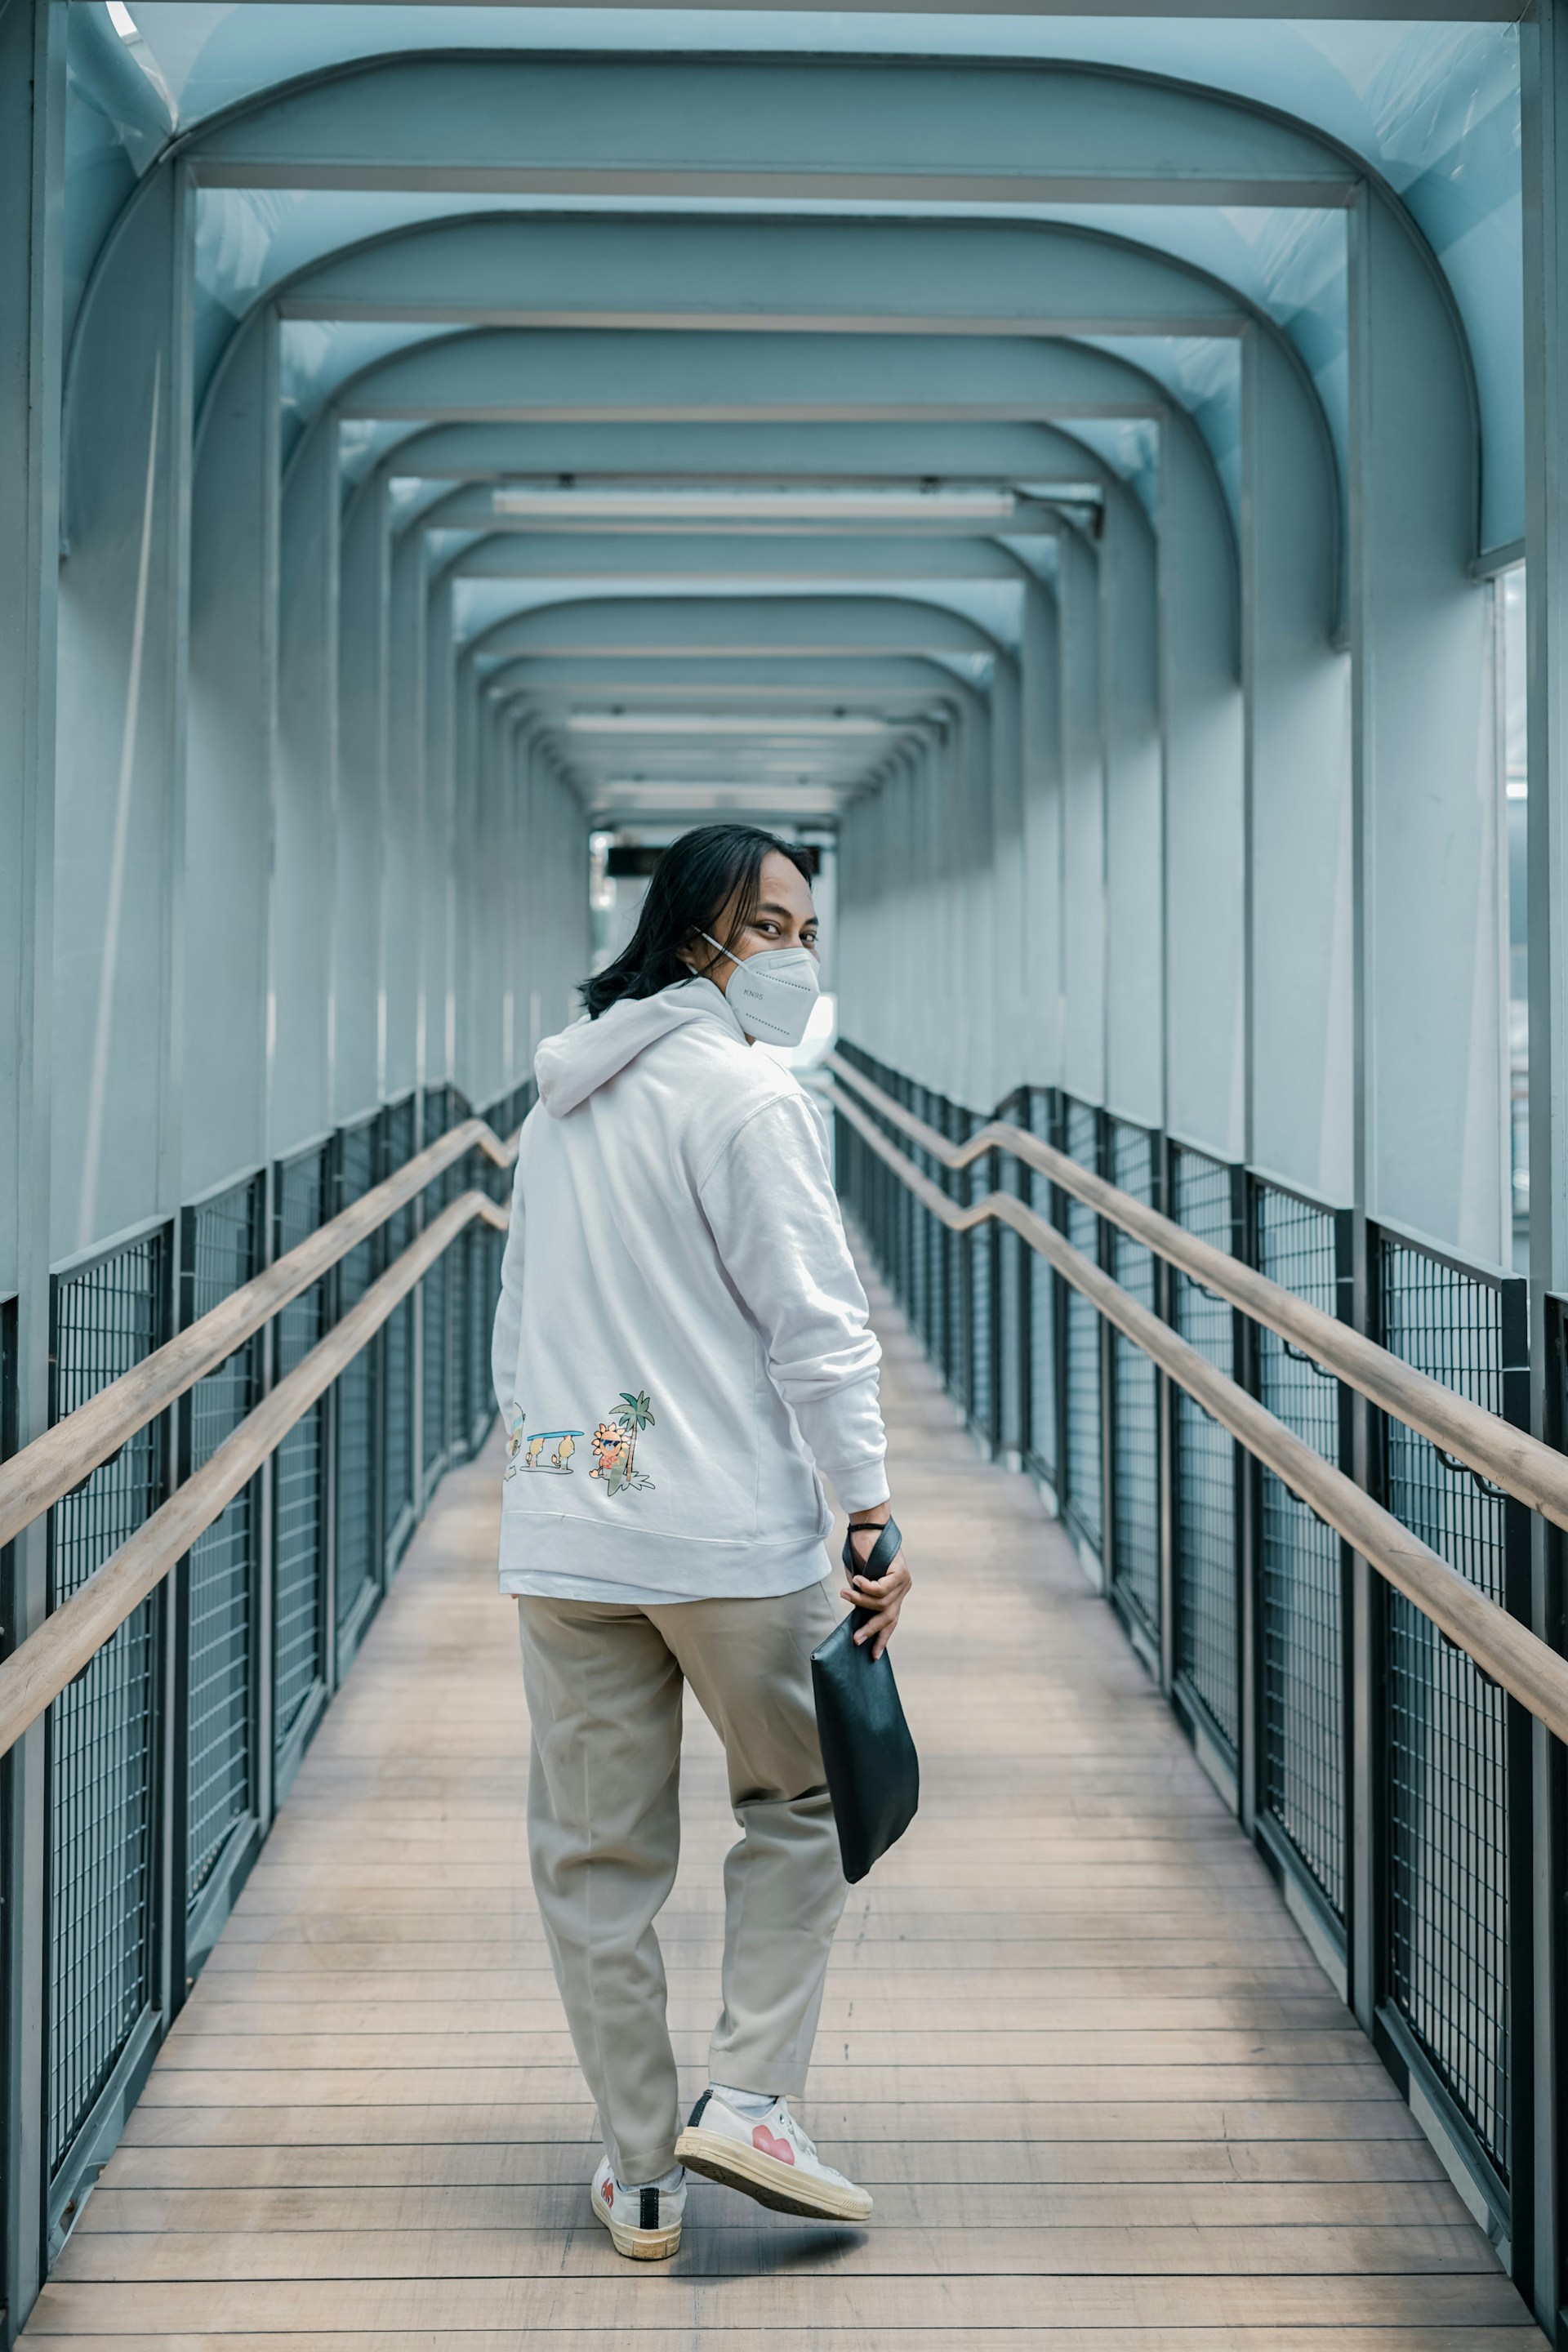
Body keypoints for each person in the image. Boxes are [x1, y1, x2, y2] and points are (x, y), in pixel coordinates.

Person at [492, 823, 912, 2261]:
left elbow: (517, 1325)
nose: (797, 955)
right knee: (798, 1809)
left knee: (597, 1865)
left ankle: (643, 2174)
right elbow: (816, 1324)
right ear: (697, 936)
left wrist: (552, 1476)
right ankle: (748, 2099)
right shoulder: (744, 1101)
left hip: (571, 1535)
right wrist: (866, 1503)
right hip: (734, 1535)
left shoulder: (556, 1107)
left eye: (808, 928)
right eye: (773, 929)